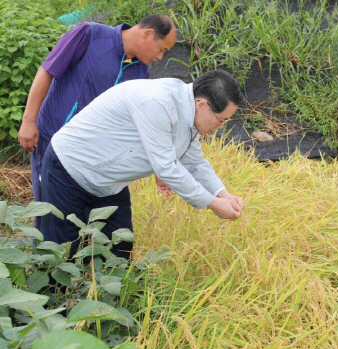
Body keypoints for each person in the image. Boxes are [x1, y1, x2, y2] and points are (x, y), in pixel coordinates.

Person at [40, 70, 245, 259]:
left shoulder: (189, 113)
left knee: (119, 248)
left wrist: (223, 194)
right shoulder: (157, 101)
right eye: (221, 120)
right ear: (202, 104)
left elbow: (195, 162)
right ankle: (50, 296)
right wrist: (212, 203)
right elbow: (166, 167)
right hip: (70, 169)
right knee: (60, 251)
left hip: (109, 183)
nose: (219, 127)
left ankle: (102, 296)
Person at [18, 14, 177, 228]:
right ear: (148, 34)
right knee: (51, 216)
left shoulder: (140, 74)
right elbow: (47, 71)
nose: (160, 58)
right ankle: (45, 260)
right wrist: (29, 120)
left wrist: (160, 167)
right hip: (52, 140)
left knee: (83, 221)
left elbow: (141, 125)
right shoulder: (89, 35)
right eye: (162, 50)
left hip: (90, 157)